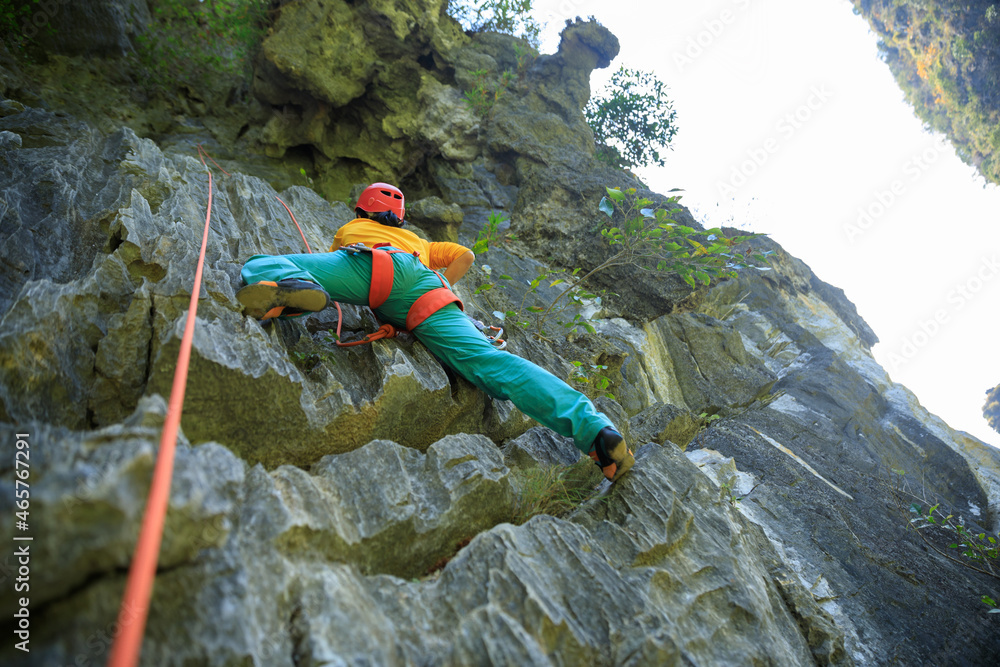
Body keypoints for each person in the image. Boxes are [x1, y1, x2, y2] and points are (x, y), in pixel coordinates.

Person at [237, 183, 634, 482]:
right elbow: (465, 255)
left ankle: (282, 289)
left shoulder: (352, 227)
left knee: (264, 262)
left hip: (371, 267)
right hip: (429, 290)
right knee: (493, 363)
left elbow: (339, 253)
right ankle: (597, 431)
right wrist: (438, 280)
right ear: (400, 216)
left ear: (363, 210)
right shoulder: (419, 241)